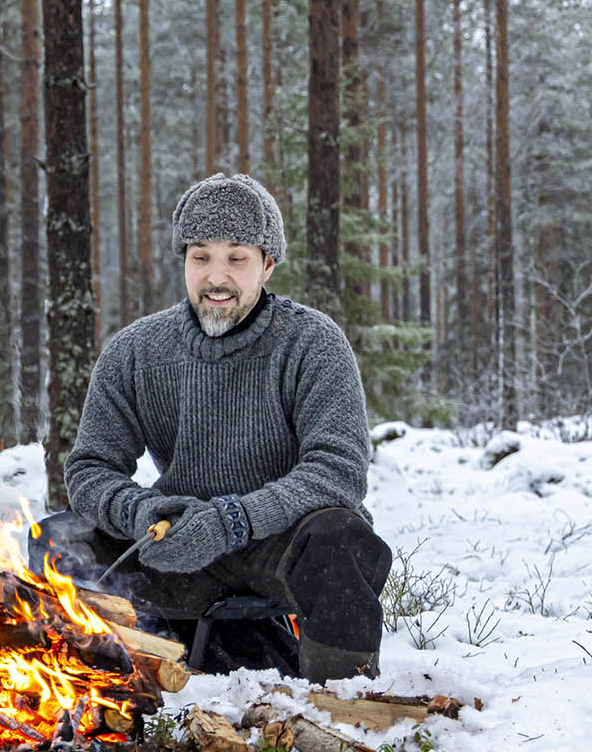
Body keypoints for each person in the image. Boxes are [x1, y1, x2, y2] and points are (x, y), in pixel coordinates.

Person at [31, 172, 393, 682]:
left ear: (267, 264)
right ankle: (96, 687)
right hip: (175, 543)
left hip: (280, 547)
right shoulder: (135, 351)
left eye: (236, 258)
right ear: (184, 261)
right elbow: (91, 469)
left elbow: (338, 471)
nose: (216, 277)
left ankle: (340, 700)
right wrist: (139, 512)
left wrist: (234, 520)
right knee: (56, 538)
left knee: (342, 538)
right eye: (201, 257)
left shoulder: (313, 343)